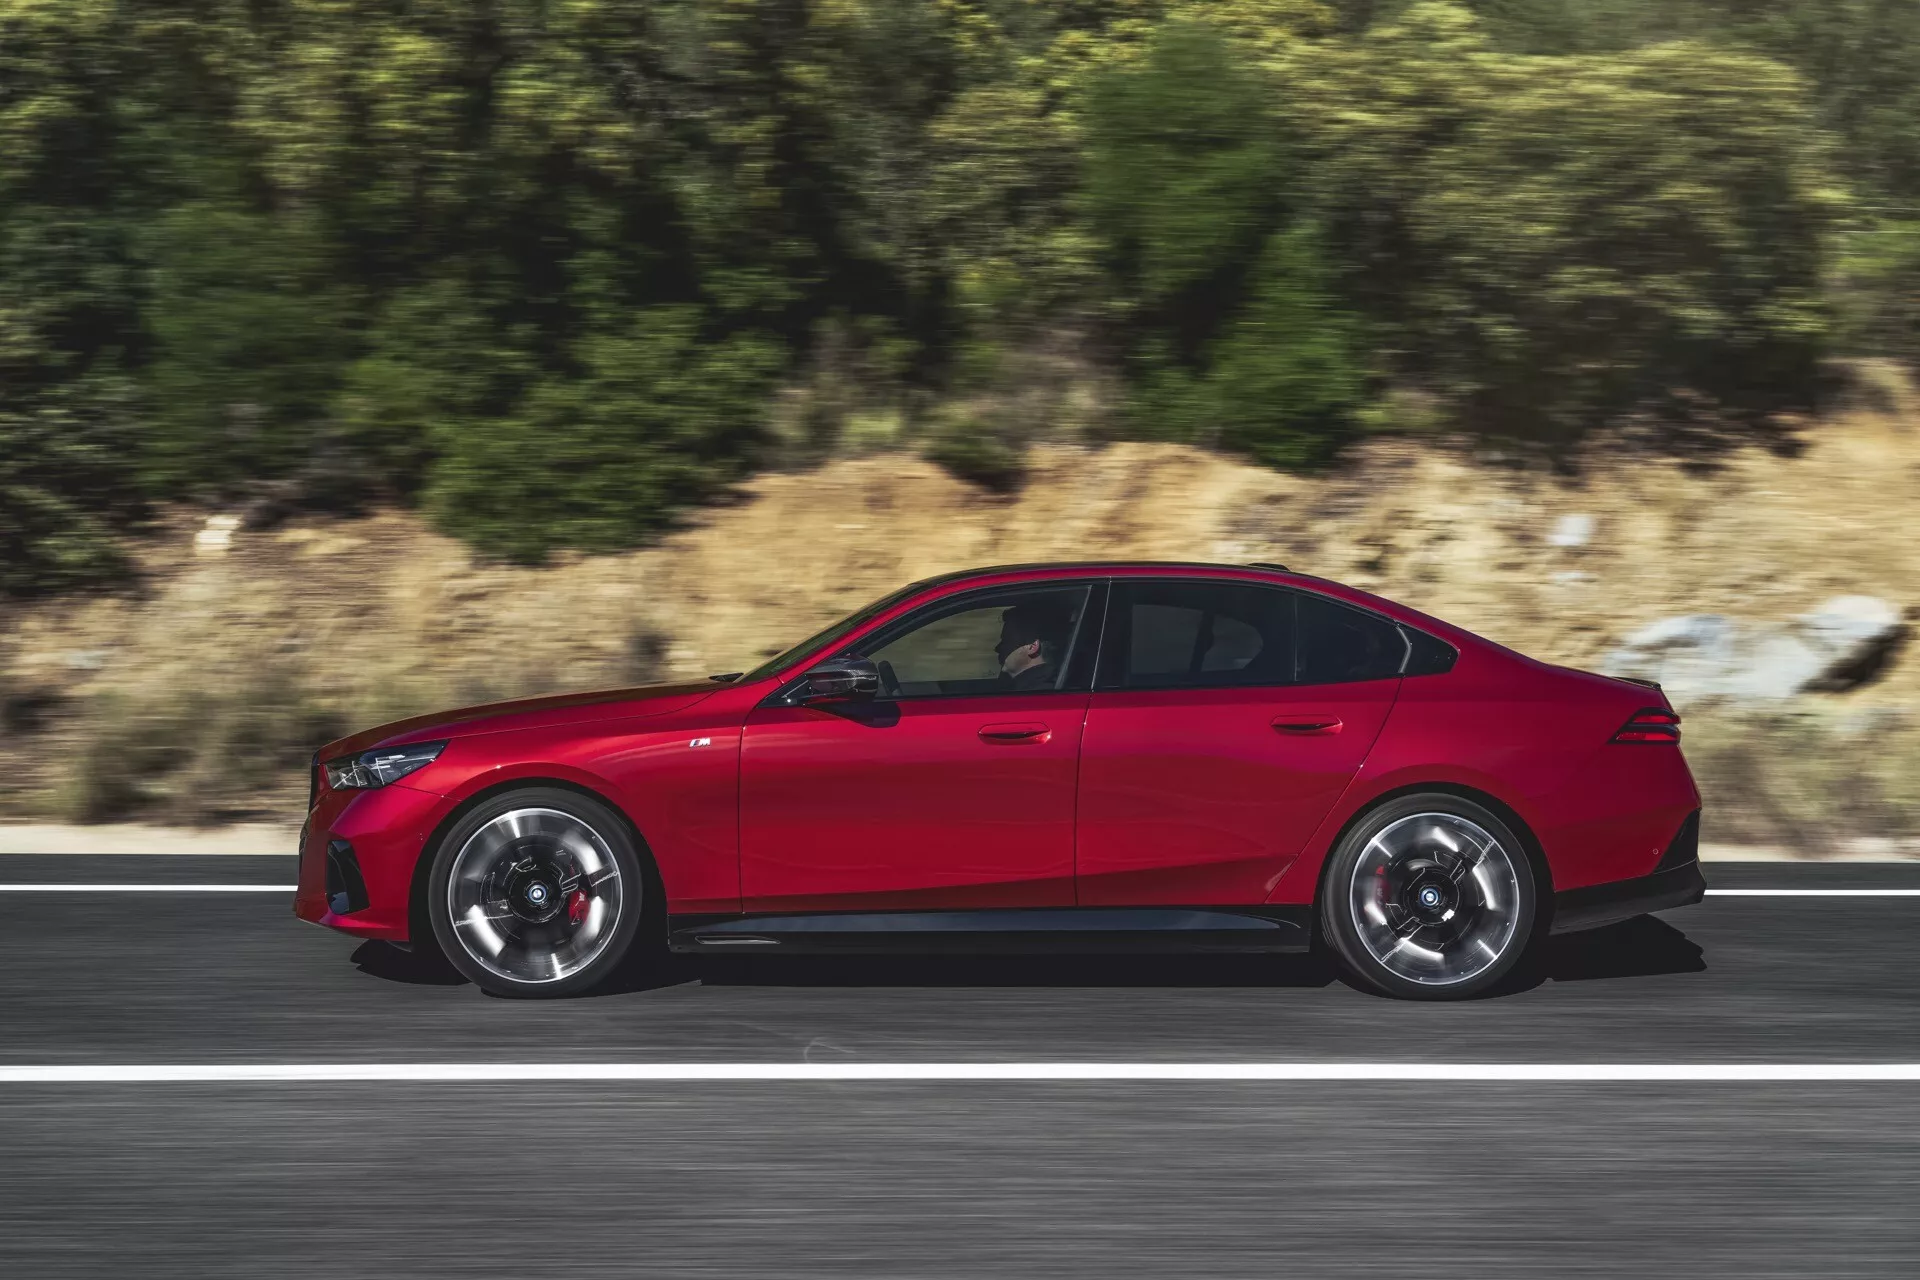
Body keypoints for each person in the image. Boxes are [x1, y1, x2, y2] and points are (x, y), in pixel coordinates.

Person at [995, 599, 1073, 691]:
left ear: (1033, 648)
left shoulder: (1035, 694)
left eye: (1006, 640)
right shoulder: (1041, 686)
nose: (997, 648)